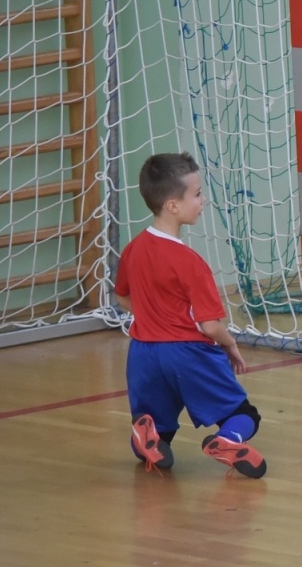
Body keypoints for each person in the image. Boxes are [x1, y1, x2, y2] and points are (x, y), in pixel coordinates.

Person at [114, 153, 267, 478]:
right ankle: (228, 439)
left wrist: (154, 317)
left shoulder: (133, 249)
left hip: (142, 353)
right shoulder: (191, 263)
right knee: (244, 414)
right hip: (188, 353)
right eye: (197, 194)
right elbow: (209, 325)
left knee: (161, 432)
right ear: (173, 205)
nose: (203, 200)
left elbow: (122, 296)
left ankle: (144, 437)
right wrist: (230, 344)